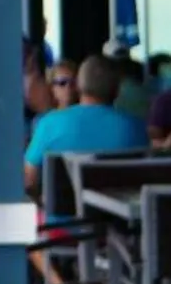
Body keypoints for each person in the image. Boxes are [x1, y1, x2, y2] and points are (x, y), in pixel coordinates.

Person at [23, 54, 143, 194]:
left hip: (63, 215)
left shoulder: (49, 124)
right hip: (118, 215)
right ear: (117, 90)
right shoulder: (137, 128)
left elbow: (28, 180)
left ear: (79, 86)